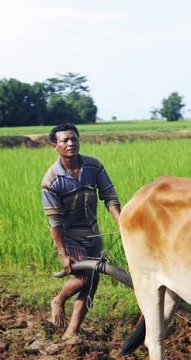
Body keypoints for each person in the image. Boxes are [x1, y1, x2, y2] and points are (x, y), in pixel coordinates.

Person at [41, 123, 121, 339]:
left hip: (93, 234)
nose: (70, 143)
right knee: (84, 277)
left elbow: (109, 196)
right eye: (65, 140)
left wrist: (121, 223)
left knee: (93, 282)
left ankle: (72, 330)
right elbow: (54, 220)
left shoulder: (93, 166)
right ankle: (58, 300)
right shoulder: (52, 180)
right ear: (54, 146)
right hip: (70, 236)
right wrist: (63, 253)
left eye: (74, 139)